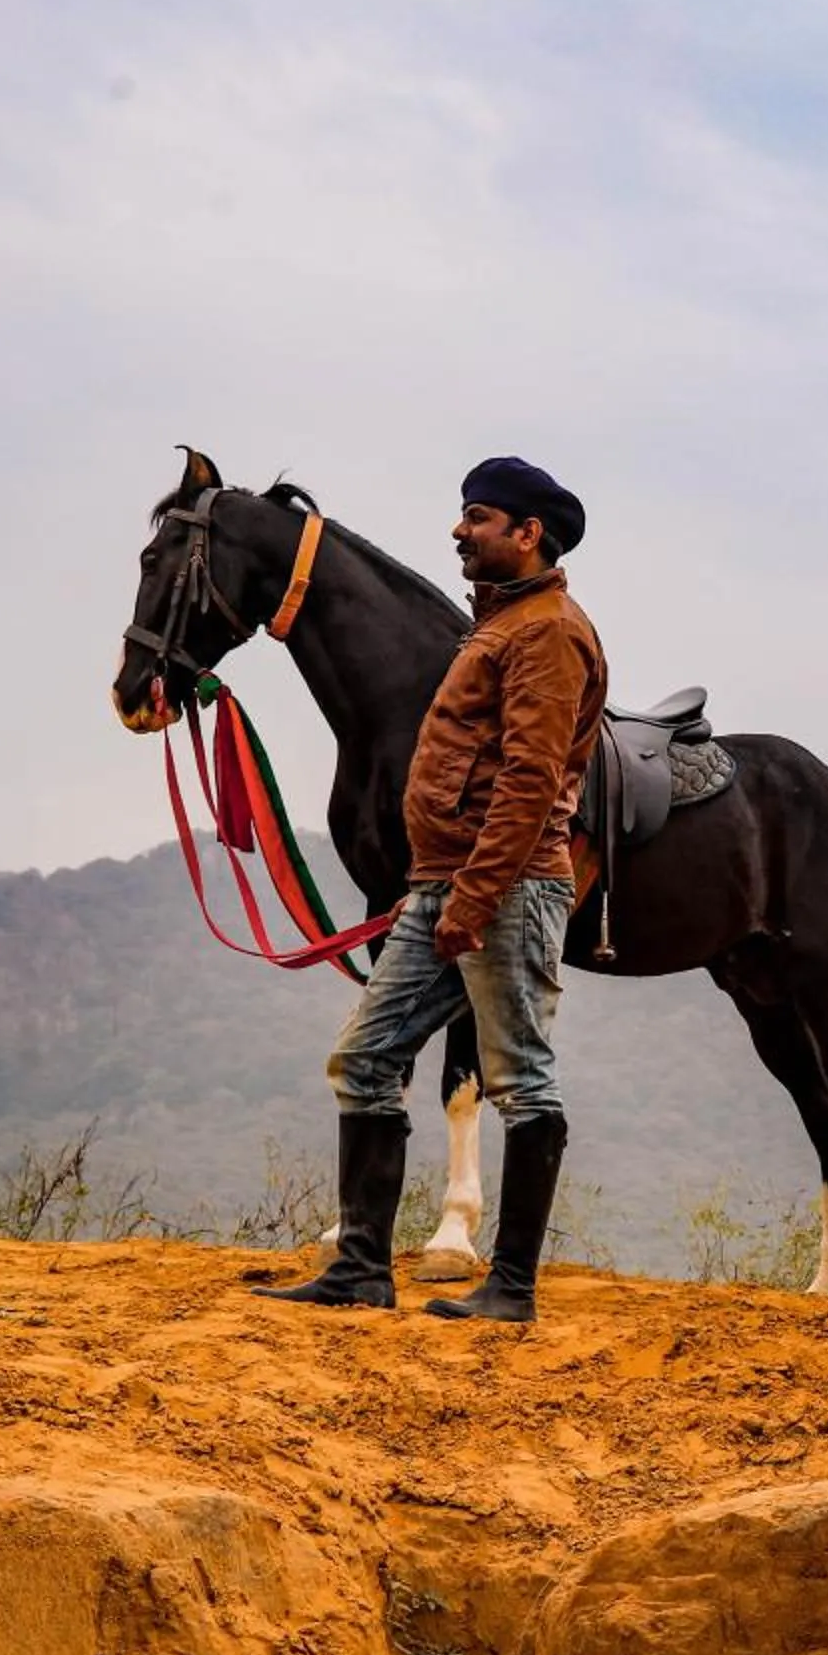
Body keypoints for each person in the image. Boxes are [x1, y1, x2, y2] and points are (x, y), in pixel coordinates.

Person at [254, 456, 609, 1324]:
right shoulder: (496, 628)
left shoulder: (549, 634)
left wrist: (476, 898)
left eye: (479, 517)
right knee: (367, 1058)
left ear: (528, 534)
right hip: (444, 887)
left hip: (505, 890)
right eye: (463, 515)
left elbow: (529, 783)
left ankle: (512, 1289)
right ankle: (363, 1271)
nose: (459, 530)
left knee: (521, 1079)